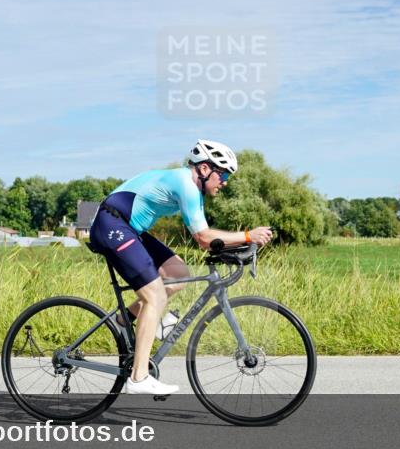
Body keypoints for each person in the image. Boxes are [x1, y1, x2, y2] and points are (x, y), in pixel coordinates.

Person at [88, 140, 274, 395]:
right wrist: (248, 236)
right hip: (112, 225)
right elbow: (204, 238)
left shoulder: (193, 189)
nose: (225, 182)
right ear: (205, 169)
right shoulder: (186, 185)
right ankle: (139, 377)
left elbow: (208, 240)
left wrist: (240, 247)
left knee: (178, 274)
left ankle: (124, 320)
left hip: (128, 227)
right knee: (154, 296)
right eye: (223, 175)